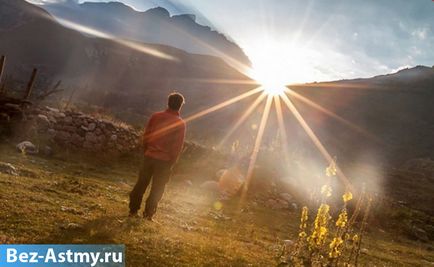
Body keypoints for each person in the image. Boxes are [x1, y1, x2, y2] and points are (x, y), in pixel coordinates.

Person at [129, 92, 186, 220]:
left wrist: (146, 151)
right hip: (165, 161)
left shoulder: (155, 116)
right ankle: (148, 214)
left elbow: (146, 136)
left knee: (141, 184)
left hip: (149, 156)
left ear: (168, 102)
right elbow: (177, 146)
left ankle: (133, 210)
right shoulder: (180, 123)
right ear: (180, 106)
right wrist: (172, 161)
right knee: (158, 188)